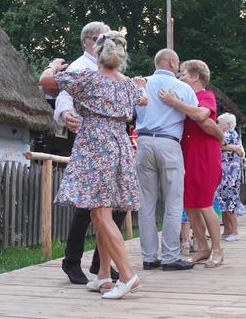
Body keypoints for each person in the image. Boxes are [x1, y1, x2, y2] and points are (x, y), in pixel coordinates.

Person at [38, 31, 147, 298]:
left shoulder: (87, 79)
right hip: (119, 144)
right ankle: (102, 276)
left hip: (95, 144)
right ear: (121, 56)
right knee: (103, 213)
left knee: (100, 213)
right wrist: (140, 84)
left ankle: (126, 275)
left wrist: (53, 65)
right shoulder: (127, 85)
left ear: (97, 54)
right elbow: (142, 98)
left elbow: (45, 80)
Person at [48, 21, 126, 285]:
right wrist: (66, 114)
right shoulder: (80, 67)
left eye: (105, 37)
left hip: (110, 143)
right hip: (89, 141)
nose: (102, 41)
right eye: (97, 38)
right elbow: (62, 96)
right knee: (87, 208)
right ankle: (73, 261)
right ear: (86, 42)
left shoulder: (110, 68)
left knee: (111, 207)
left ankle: (101, 265)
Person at [158, 59, 225, 267]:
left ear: (196, 76)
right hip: (186, 154)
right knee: (190, 205)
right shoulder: (185, 96)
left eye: (184, 74)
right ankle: (203, 248)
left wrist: (174, 102)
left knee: (205, 204)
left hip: (205, 154)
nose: (180, 77)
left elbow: (201, 114)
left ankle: (217, 250)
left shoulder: (205, 96)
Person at [135, 49, 197, 271]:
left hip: (143, 143)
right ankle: (170, 256)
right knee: (173, 202)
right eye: (178, 62)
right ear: (171, 62)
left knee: (146, 203)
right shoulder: (182, 88)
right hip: (169, 143)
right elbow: (196, 114)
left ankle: (149, 257)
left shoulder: (140, 84)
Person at [217, 113, 245, 241]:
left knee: (229, 200)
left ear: (228, 124)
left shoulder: (229, 133)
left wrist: (231, 147)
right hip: (227, 170)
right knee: (224, 200)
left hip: (230, 172)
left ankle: (234, 231)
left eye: (220, 122)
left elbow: (219, 144)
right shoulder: (230, 134)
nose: (218, 125)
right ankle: (227, 230)